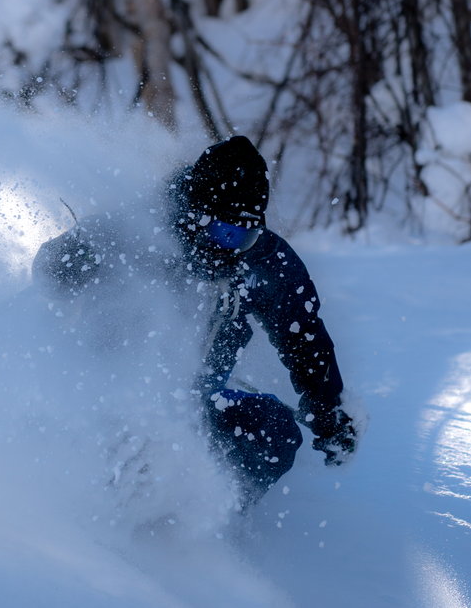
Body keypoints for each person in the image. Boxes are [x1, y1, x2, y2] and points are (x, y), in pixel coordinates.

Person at [32, 135, 357, 507]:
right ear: (195, 214)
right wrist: (72, 266)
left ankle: (212, 523)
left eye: (246, 236)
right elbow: (49, 271)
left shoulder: (265, 262)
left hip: (202, 400)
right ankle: (98, 519)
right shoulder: (140, 230)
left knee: (277, 432)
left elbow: (305, 337)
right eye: (225, 232)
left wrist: (328, 408)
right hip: (110, 394)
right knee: (134, 442)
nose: (231, 247)